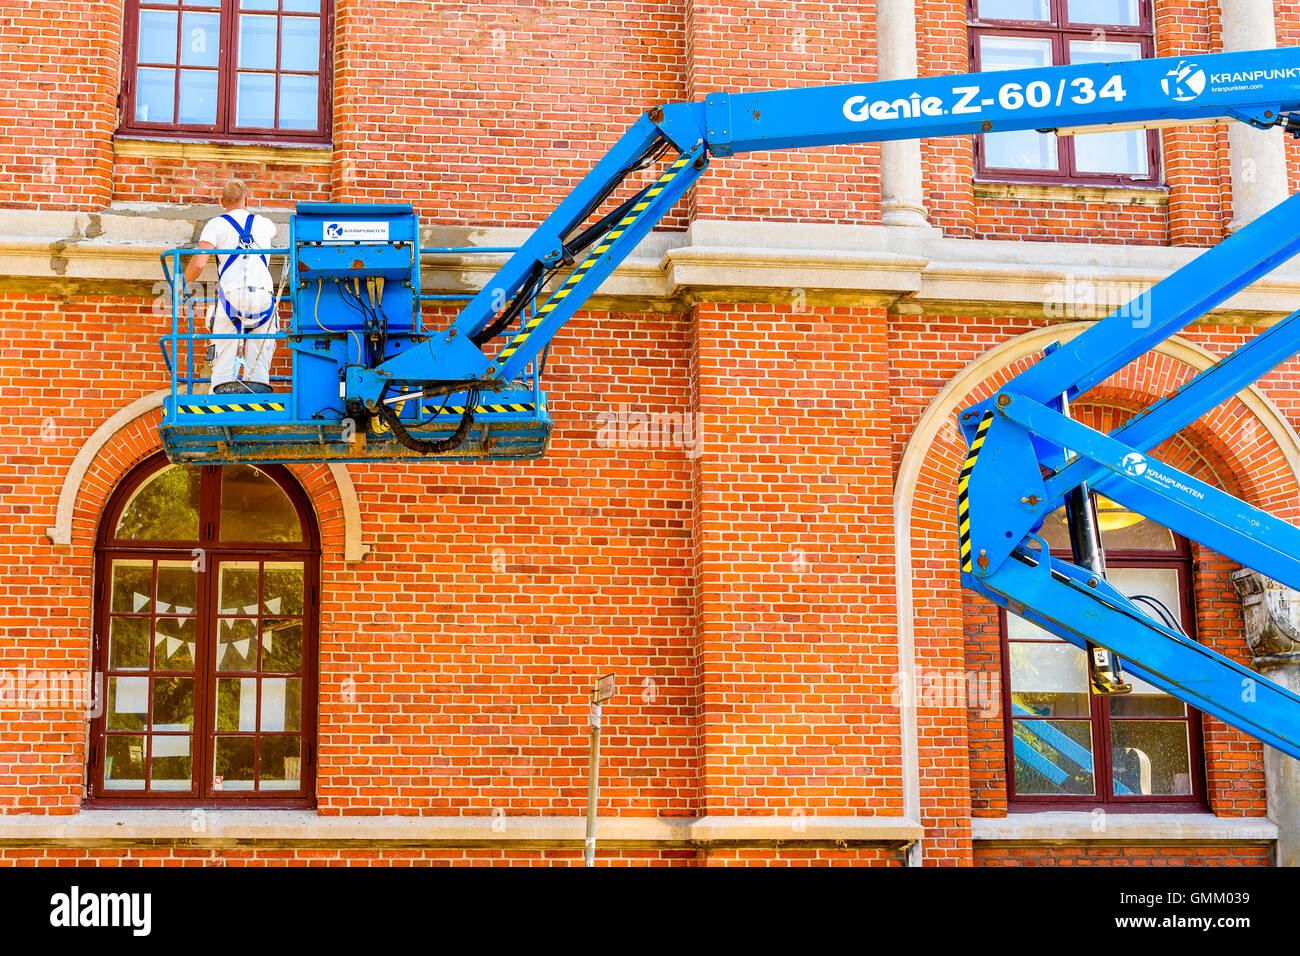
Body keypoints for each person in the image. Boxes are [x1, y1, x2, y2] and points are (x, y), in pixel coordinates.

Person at [183, 179, 279, 394]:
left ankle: (220, 397)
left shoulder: (216, 225)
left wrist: (181, 284)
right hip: (263, 298)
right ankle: (257, 400)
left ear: (221, 202)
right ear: (248, 199)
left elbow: (199, 262)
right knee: (259, 365)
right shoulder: (263, 223)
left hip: (230, 298)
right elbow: (276, 232)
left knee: (223, 359)